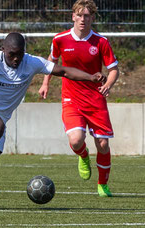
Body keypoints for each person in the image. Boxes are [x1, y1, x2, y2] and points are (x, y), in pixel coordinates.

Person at [0, 32, 105, 208]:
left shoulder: (31, 63)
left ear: (24, 51)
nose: (15, 59)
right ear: (3, 49)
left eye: (19, 54)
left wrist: (90, 77)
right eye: (11, 54)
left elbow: (64, 71)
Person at [38, 0, 119, 197]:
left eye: (87, 16)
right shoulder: (60, 39)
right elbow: (51, 62)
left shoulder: (101, 41)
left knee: (103, 144)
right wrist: (45, 83)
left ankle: (102, 184)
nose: (83, 19)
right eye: (80, 15)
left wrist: (107, 84)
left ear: (92, 18)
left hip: (95, 99)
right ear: (73, 16)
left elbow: (113, 69)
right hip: (71, 98)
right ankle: (83, 156)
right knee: (76, 140)